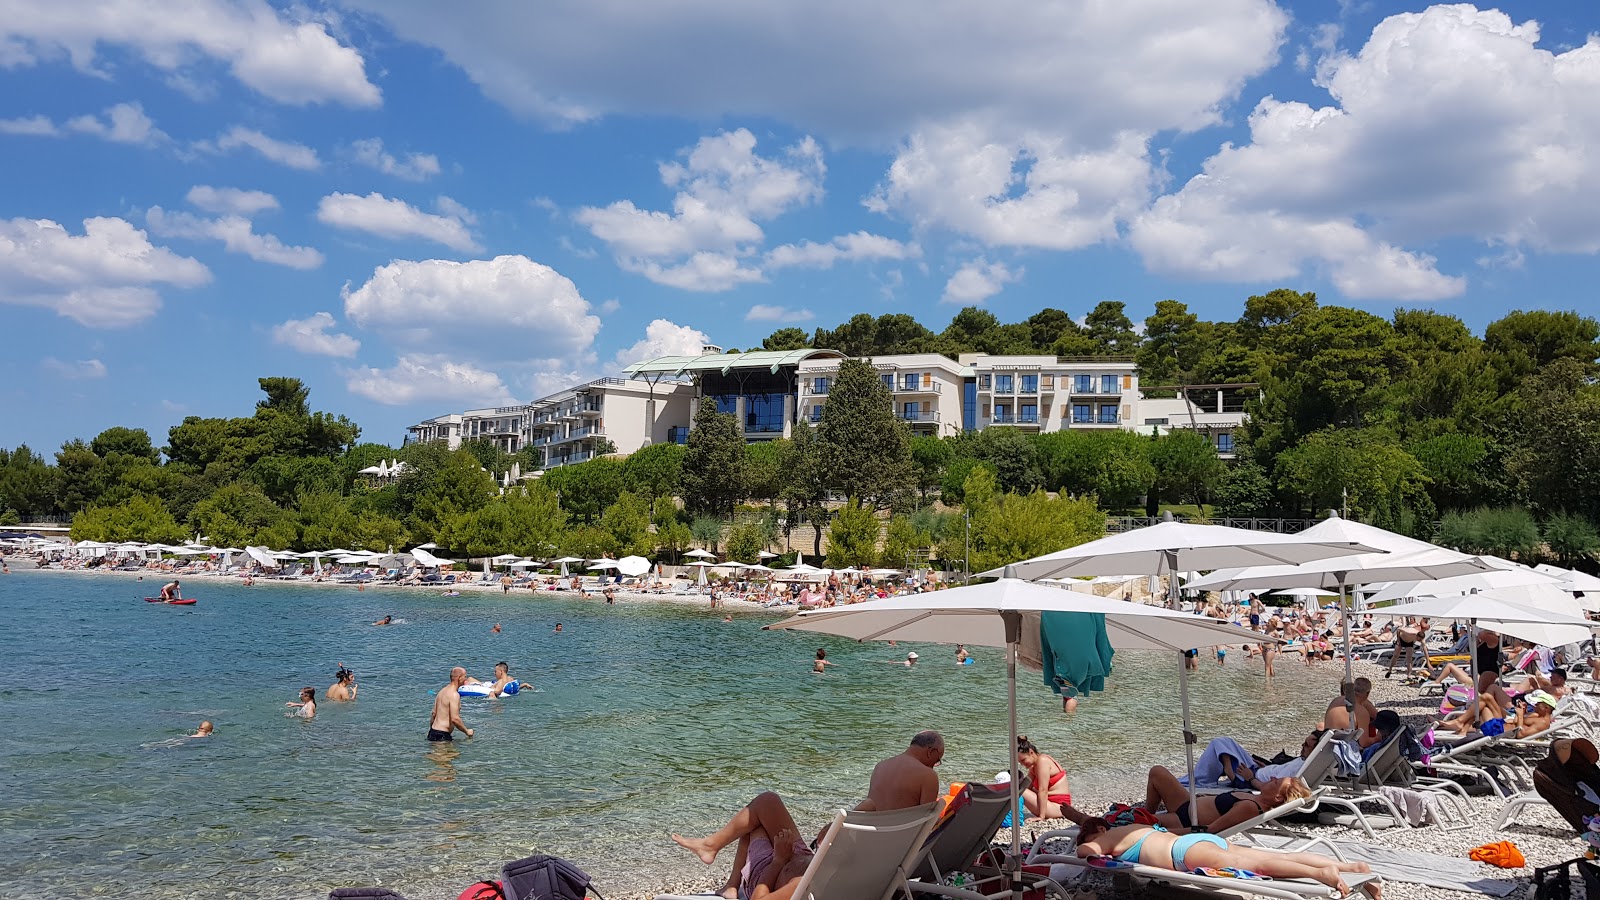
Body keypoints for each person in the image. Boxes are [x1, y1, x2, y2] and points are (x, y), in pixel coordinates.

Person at [674, 732, 946, 899]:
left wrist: (779, 860)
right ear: (931, 751)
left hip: (788, 870)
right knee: (768, 801)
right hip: (824, 861)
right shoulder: (926, 777)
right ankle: (720, 863)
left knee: (758, 818)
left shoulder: (882, 766)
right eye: (938, 758)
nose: (937, 763)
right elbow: (920, 829)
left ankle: (726, 872)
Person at [1073, 819, 1378, 898]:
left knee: (1259, 866)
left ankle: (1321, 875)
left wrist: (1088, 845)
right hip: (1195, 842)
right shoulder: (1134, 827)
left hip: (1184, 855)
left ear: (1098, 829)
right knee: (1271, 855)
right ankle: (1348, 866)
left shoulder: (1106, 836)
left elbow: (1087, 853)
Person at [1143, 764, 1311, 833]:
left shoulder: (1250, 807)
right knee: (1157, 772)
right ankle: (1146, 812)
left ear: (1277, 797)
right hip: (1188, 805)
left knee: (1137, 821)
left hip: (1184, 820)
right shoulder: (1256, 798)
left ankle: (1145, 816)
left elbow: (1211, 830)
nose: (1273, 777)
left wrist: (1166, 834)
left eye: (1276, 782)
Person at [1016, 736, 1078, 821]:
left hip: (1059, 808)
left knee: (1018, 790)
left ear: (1031, 752)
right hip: (1050, 804)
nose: (1023, 764)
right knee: (1018, 788)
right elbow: (1027, 787)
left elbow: (1043, 790)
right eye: (1020, 762)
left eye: (1023, 760)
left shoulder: (1043, 761)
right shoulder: (1034, 766)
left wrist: (1041, 816)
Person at [428, 667, 474, 741]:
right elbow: (455, 719)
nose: (466, 679)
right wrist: (467, 731)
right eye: (465, 676)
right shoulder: (454, 695)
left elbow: (434, 713)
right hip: (442, 735)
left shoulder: (442, 691)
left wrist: (432, 731)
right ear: (459, 678)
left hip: (432, 732)